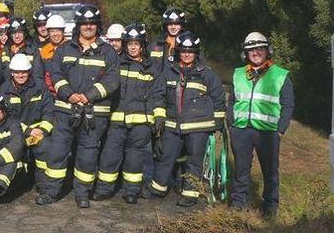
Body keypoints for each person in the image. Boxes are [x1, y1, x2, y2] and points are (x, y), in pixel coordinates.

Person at [38, 4, 119, 208]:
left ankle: (82, 194)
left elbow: (112, 81)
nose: (88, 27)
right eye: (85, 23)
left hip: (94, 115)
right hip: (65, 111)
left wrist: (87, 96)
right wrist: (69, 95)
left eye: (92, 23)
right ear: (78, 26)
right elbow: (55, 74)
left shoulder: (108, 52)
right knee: (57, 152)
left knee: (87, 156)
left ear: (97, 26)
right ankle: (51, 192)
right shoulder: (64, 49)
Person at [149, 31, 225, 207]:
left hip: (199, 127)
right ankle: (158, 189)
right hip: (172, 125)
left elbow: (219, 99)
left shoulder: (207, 74)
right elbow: (159, 95)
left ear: (196, 52)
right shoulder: (168, 72)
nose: (186, 54)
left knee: (193, 160)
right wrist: (159, 117)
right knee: (165, 157)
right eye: (183, 50)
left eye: (190, 50)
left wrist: (219, 121)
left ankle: (190, 194)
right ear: (178, 52)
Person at [95, 23, 163, 204]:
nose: (133, 47)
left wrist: (160, 117)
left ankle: (131, 191)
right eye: (129, 43)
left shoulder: (151, 68)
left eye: (136, 43)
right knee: (110, 156)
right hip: (117, 121)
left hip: (141, 123)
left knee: (135, 159)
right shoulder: (116, 65)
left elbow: (158, 95)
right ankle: (104, 190)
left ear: (142, 46)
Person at [228, 32, 294, 219]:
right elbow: (232, 101)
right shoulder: (238, 74)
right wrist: (231, 123)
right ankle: (238, 203)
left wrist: (281, 129)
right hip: (241, 130)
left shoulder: (280, 75)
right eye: (251, 50)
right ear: (245, 54)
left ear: (267, 50)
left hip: (268, 132)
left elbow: (288, 104)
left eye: (259, 49)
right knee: (241, 169)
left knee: (270, 170)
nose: (255, 53)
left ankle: (270, 206)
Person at [0, 53, 53, 195]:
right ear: (11, 73)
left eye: (23, 72)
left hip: (38, 132)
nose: (21, 75)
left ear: (29, 71)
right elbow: (7, 118)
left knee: (46, 147)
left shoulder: (40, 87)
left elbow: (49, 111)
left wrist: (42, 130)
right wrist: (28, 131)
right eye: (17, 72)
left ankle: (42, 183)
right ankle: (14, 181)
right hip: (16, 133)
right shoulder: (4, 90)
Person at [38, 14, 67, 97]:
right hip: (49, 94)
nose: (55, 34)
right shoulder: (44, 51)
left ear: (63, 31)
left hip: (68, 93)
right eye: (52, 31)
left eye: (58, 30)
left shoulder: (72, 48)